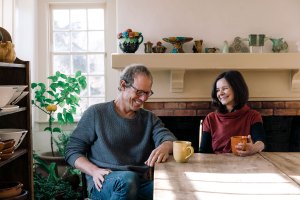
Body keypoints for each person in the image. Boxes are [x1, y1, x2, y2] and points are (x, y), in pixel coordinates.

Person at [65, 64, 176, 200]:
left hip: (139, 184)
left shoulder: (149, 119)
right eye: (139, 92)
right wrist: (94, 171)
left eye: (147, 93)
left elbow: (169, 139)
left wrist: (165, 146)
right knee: (127, 180)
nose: (143, 99)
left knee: (171, 188)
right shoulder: (96, 113)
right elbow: (72, 151)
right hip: (105, 182)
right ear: (123, 85)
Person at [199, 70, 265, 156]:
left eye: (225, 88)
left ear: (237, 88)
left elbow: (261, 143)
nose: (220, 93)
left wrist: (253, 148)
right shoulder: (210, 118)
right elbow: (203, 152)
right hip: (217, 165)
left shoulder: (253, 116)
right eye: (218, 90)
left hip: (245, 165)